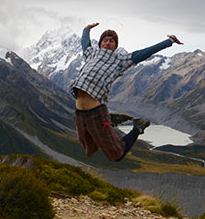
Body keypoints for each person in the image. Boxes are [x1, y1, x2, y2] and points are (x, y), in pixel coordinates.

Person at [70, 22, 183, 161]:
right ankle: (111, 121)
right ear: (100, 44)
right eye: (105, 40)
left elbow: (145, 53)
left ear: (115, 46)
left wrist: (169, 41)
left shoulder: (120, 60)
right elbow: (85, 43)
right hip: (79, 114)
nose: (107, 43)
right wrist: (86, 29)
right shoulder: (91, 54)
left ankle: (138, 127)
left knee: (116, 155)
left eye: (111, 41)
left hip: (96, 113)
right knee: (90, 150)